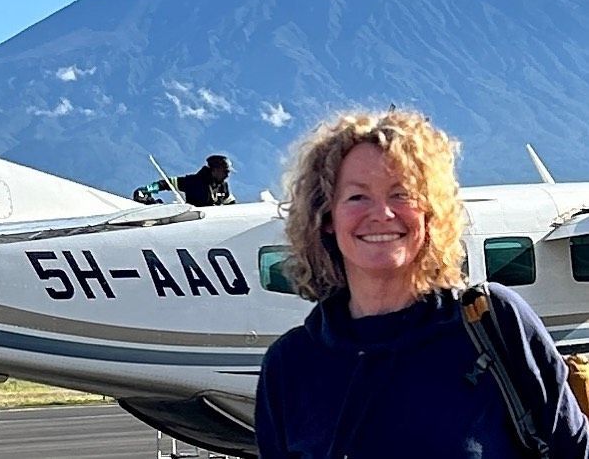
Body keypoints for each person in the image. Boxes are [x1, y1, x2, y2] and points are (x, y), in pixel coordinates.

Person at [255, 109, 588, 458]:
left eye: (402, 194)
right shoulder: (289, 365)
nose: (382, 213)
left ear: (431, 214)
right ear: (326, 218)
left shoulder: (493, 323)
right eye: (357, 196)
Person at [132, 154, 235, 207]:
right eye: (225, 172)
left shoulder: (223, 187)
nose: (227, 175)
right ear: (215, 170)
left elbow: (231, 204)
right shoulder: (194, 182)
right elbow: (166, 183)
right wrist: (147, 190)